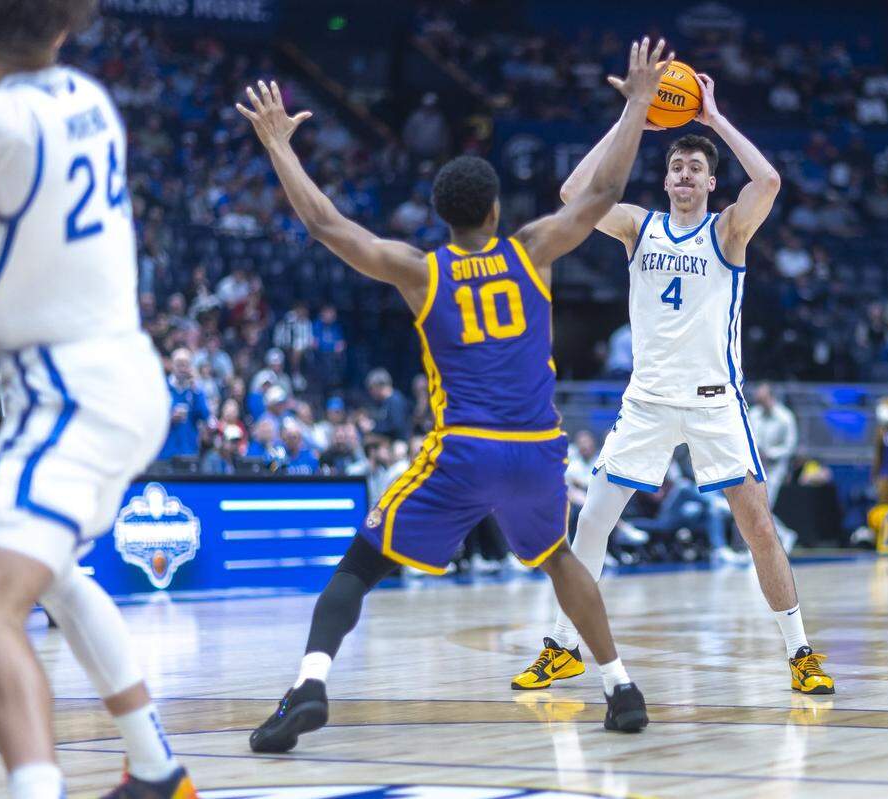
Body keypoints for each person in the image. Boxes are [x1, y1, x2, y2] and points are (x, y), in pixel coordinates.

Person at [238, 38, 672, 748]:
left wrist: (279, 143)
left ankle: (308, 686)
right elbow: (599, 194)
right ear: (496, 209)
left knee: (360, 564)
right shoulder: (531, 249)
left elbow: (323, 223)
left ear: (443, 215)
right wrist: (636, 105)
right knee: (558, 557)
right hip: (536, 450)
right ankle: (621, 688)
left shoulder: (419, 270)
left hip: (464, 448)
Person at [514, 67, 833, 695]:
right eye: (677, 167)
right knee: (593, 524)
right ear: (666, 179)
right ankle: (563, 646)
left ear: (712, 183)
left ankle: (799, 653)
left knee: (759, 528)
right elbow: (572, 191)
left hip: (716, 404)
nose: (685, 175)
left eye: (696, 168)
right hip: (648, 403)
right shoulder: (638, 225)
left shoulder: (728, 231)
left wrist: (713, 119)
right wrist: (634, 111)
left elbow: (768, 180)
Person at [0, 3, 194, 796]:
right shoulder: (89, 102)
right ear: (64, 30)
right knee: (56, 572)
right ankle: (157, 767)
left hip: (64, 392)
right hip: (121, 375)